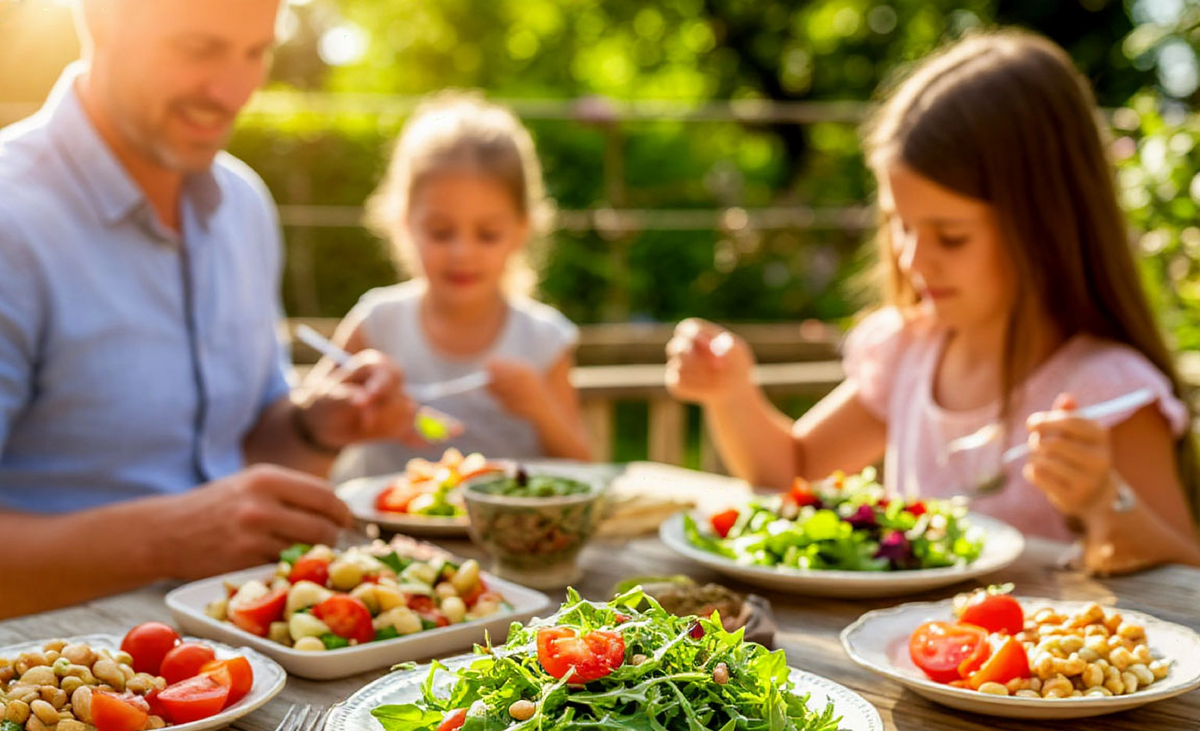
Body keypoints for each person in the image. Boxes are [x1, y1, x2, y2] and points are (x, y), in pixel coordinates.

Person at [666, 30, 1200, 574]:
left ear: (1045, 226)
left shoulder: (1107, 391)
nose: (913, 260)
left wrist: (1106, 501)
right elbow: (792, 472)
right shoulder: (909, 349)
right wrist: (731, 393)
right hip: (902, 651)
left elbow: (1187, 577)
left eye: (951, 236)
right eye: (900, 225)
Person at [0, 0, 416, 619]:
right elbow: (197, 528)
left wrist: (314, 425)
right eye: (200, 48)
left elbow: (241, 451)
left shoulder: (243, 205)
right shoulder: (13, 219)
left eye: (256, 52)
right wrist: (162, 540)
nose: (232, 90)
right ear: (100, 18)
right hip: (50, 688)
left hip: (249, 653)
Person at [325, 91, 591, 483]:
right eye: (440, 232)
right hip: (374, 538)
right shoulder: (377, 323)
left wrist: (541, 408)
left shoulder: (543, 340)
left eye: (487, 234)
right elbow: (308, 423)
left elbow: (586, 468)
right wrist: (358, 410)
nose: (462, 253)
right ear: (403, 223)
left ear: (521, 231)